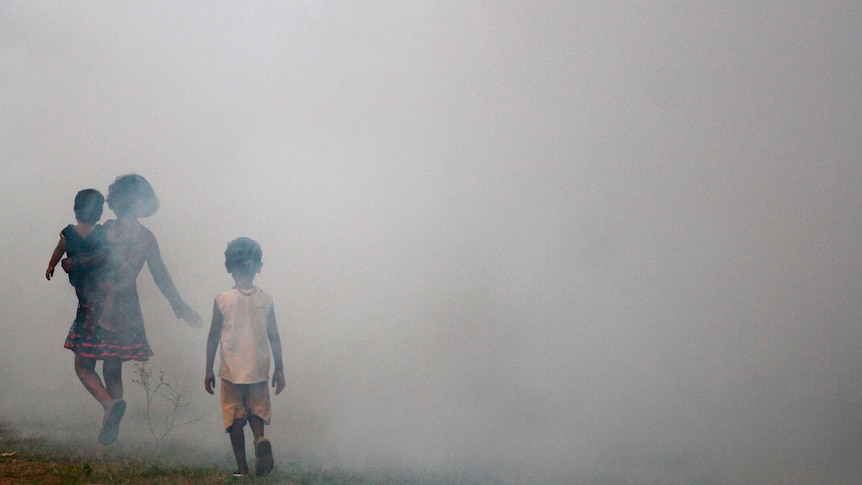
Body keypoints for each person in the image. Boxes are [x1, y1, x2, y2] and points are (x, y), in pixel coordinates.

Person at [63, 174, 203, 446]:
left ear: (115, 201)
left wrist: (74, 262)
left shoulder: (106, 230)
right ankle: (110, 437)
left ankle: (107, 404)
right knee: (113, 369)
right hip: (127, 306)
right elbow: (160, 275)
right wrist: (179, 306)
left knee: (83, 364)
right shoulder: (147, 238)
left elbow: (89, 259)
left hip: (99, 301)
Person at [205, 237, 285, 478]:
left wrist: (209, 369)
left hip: (231, 369)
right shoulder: (266, 299)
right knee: (256, 411)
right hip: (259, 368)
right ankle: (259, 439)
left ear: (228, 266)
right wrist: (279, 368)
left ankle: (242, 469)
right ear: (258, 266)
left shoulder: (222, 299)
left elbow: (213, 336)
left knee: (235, 418)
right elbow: (275, 336)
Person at [46, 189, 108, 344]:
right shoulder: (100, 232)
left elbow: (60, 249)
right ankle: (89, 313)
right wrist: (51, 265)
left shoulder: (71, 233)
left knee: (84, 301)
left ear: (76, 210)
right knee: (87, 301)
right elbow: (61, 248)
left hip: (85, 278)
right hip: (94, 280)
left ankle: (88, 316)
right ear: (99, 213)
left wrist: (51, 266)